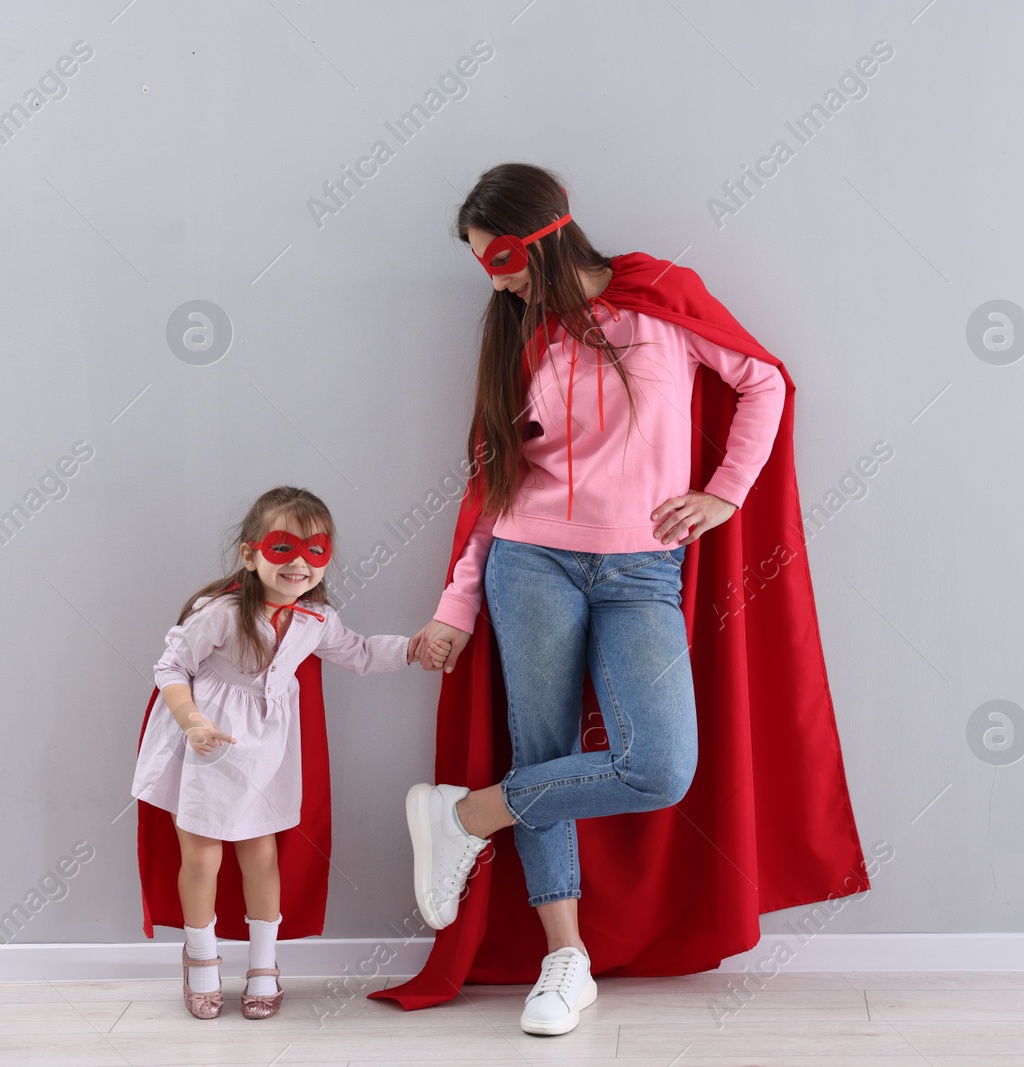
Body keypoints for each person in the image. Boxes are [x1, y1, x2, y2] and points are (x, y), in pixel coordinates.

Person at [401, 164, 788, 1037]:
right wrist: (456, 606)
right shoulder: (517, 333)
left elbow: (763, 380)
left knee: (658, 766)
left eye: (498, 257)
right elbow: (492, 485)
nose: (494, 279)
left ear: (542, 236)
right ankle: (563, 962)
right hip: (529, 563)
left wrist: (725, 491)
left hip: (642, 570)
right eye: (481, 265)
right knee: (544, 746)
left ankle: (463, 814)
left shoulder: (662, 301)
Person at [131, 486, 416, 1020]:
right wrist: (193, 721)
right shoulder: (220, 612)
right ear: (250, 553)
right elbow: (171, 667)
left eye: (317, 550)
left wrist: (414, 649)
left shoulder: (315, 620)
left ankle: (265, 963)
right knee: (203, 855)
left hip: (265, 751)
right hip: (207, 743)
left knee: (261, 855)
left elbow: (358, 653)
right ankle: (201, 958)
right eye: (284, 547)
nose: (301, 564)